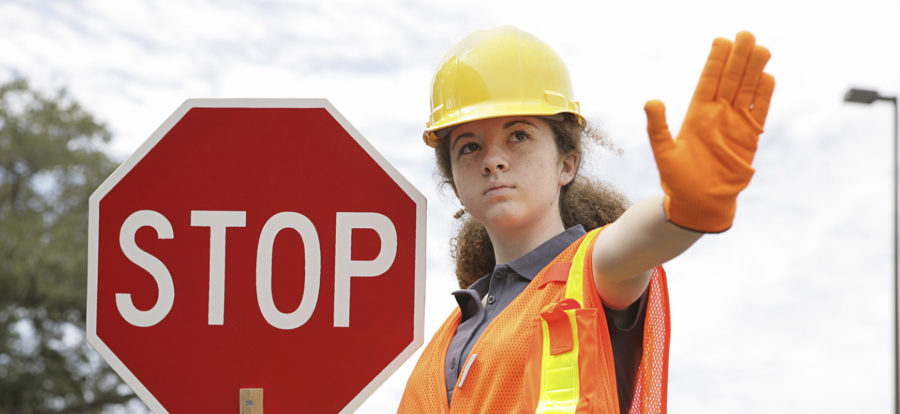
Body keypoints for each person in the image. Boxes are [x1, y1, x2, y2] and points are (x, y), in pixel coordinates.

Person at [397, 26, 774, 413]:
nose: (493, 160)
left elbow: (637, 239)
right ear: (455, 185)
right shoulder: (444, 342)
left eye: (519, 136)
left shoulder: (593, 272)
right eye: (470, 146)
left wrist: (681, 211)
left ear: (566, 163)